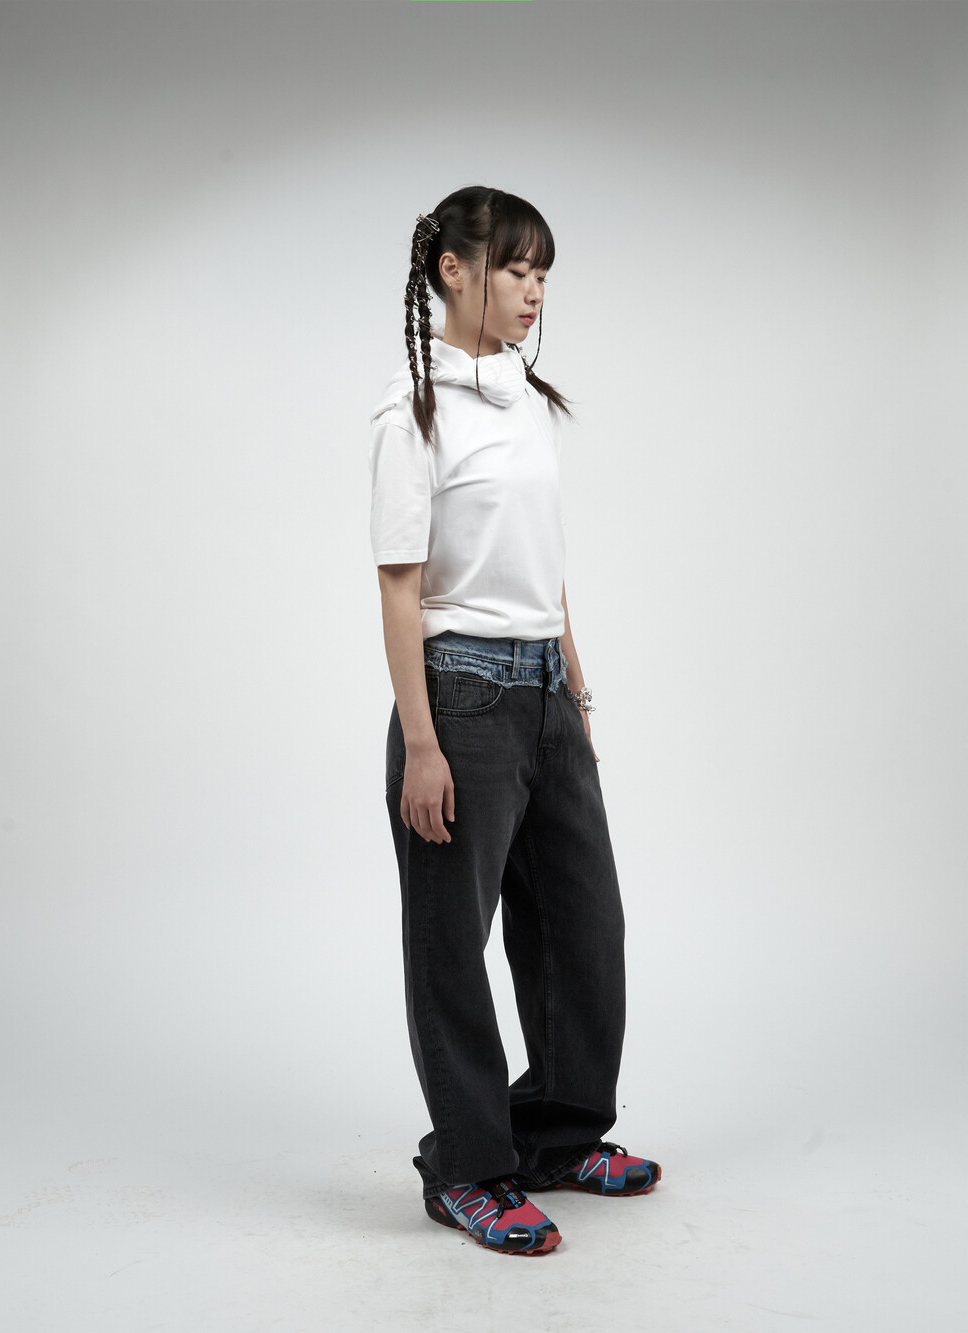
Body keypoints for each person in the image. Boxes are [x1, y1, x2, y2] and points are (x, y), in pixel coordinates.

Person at [367, 186, 660, 1256]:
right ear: (453, 270)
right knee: (453, 943)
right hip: (460, 697)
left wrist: (573, 687)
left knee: (584, 926)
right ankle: (468, 1169)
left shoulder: (527, 399)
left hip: (541, 693)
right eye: (514, 269)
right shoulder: (412, 412)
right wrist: (423, 742)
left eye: (543, 274)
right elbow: (400, 584)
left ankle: (559, 1135)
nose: (533, 291)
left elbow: (546, 562)